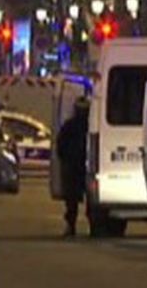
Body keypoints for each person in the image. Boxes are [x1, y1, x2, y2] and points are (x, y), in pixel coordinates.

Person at [56, 98, 90, 237]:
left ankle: (71, 226)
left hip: (74, 166)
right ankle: (76, 225)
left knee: (72, 200)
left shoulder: (69, 125)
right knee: (80, 199)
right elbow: (61, 146)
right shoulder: (88, 125)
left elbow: (60, 146)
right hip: (82, 166)